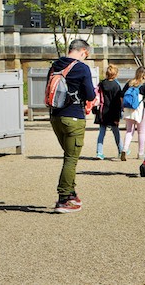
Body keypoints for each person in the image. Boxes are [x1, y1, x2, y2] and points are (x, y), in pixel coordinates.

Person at [47, 38, 97, 213]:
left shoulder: (54, 66)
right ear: (83, 51)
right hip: (73, 117)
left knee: (69, 156)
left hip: (55, 117)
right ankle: (63, 198)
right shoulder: (82, 68)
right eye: (86, 54)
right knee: (71, 158)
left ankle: (71, 193)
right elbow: (90, 95)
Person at [94, 64, 124, 160]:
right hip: (113, 112)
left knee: (101, 133)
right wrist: (119, 115)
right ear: (115, 74)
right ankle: (120, 150)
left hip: (102, 111)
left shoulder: (101, 84)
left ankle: (99, 152)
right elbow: (118, 102)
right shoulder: (117, 86)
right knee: (116, 132)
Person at [120, 66, 145, 161]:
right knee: (141, 131)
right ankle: (140, 153)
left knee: (129, 131)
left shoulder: (130, 83)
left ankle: (125, 148)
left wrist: (122, 107)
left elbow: (121, 95)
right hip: (140, 110)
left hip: (128, 109)